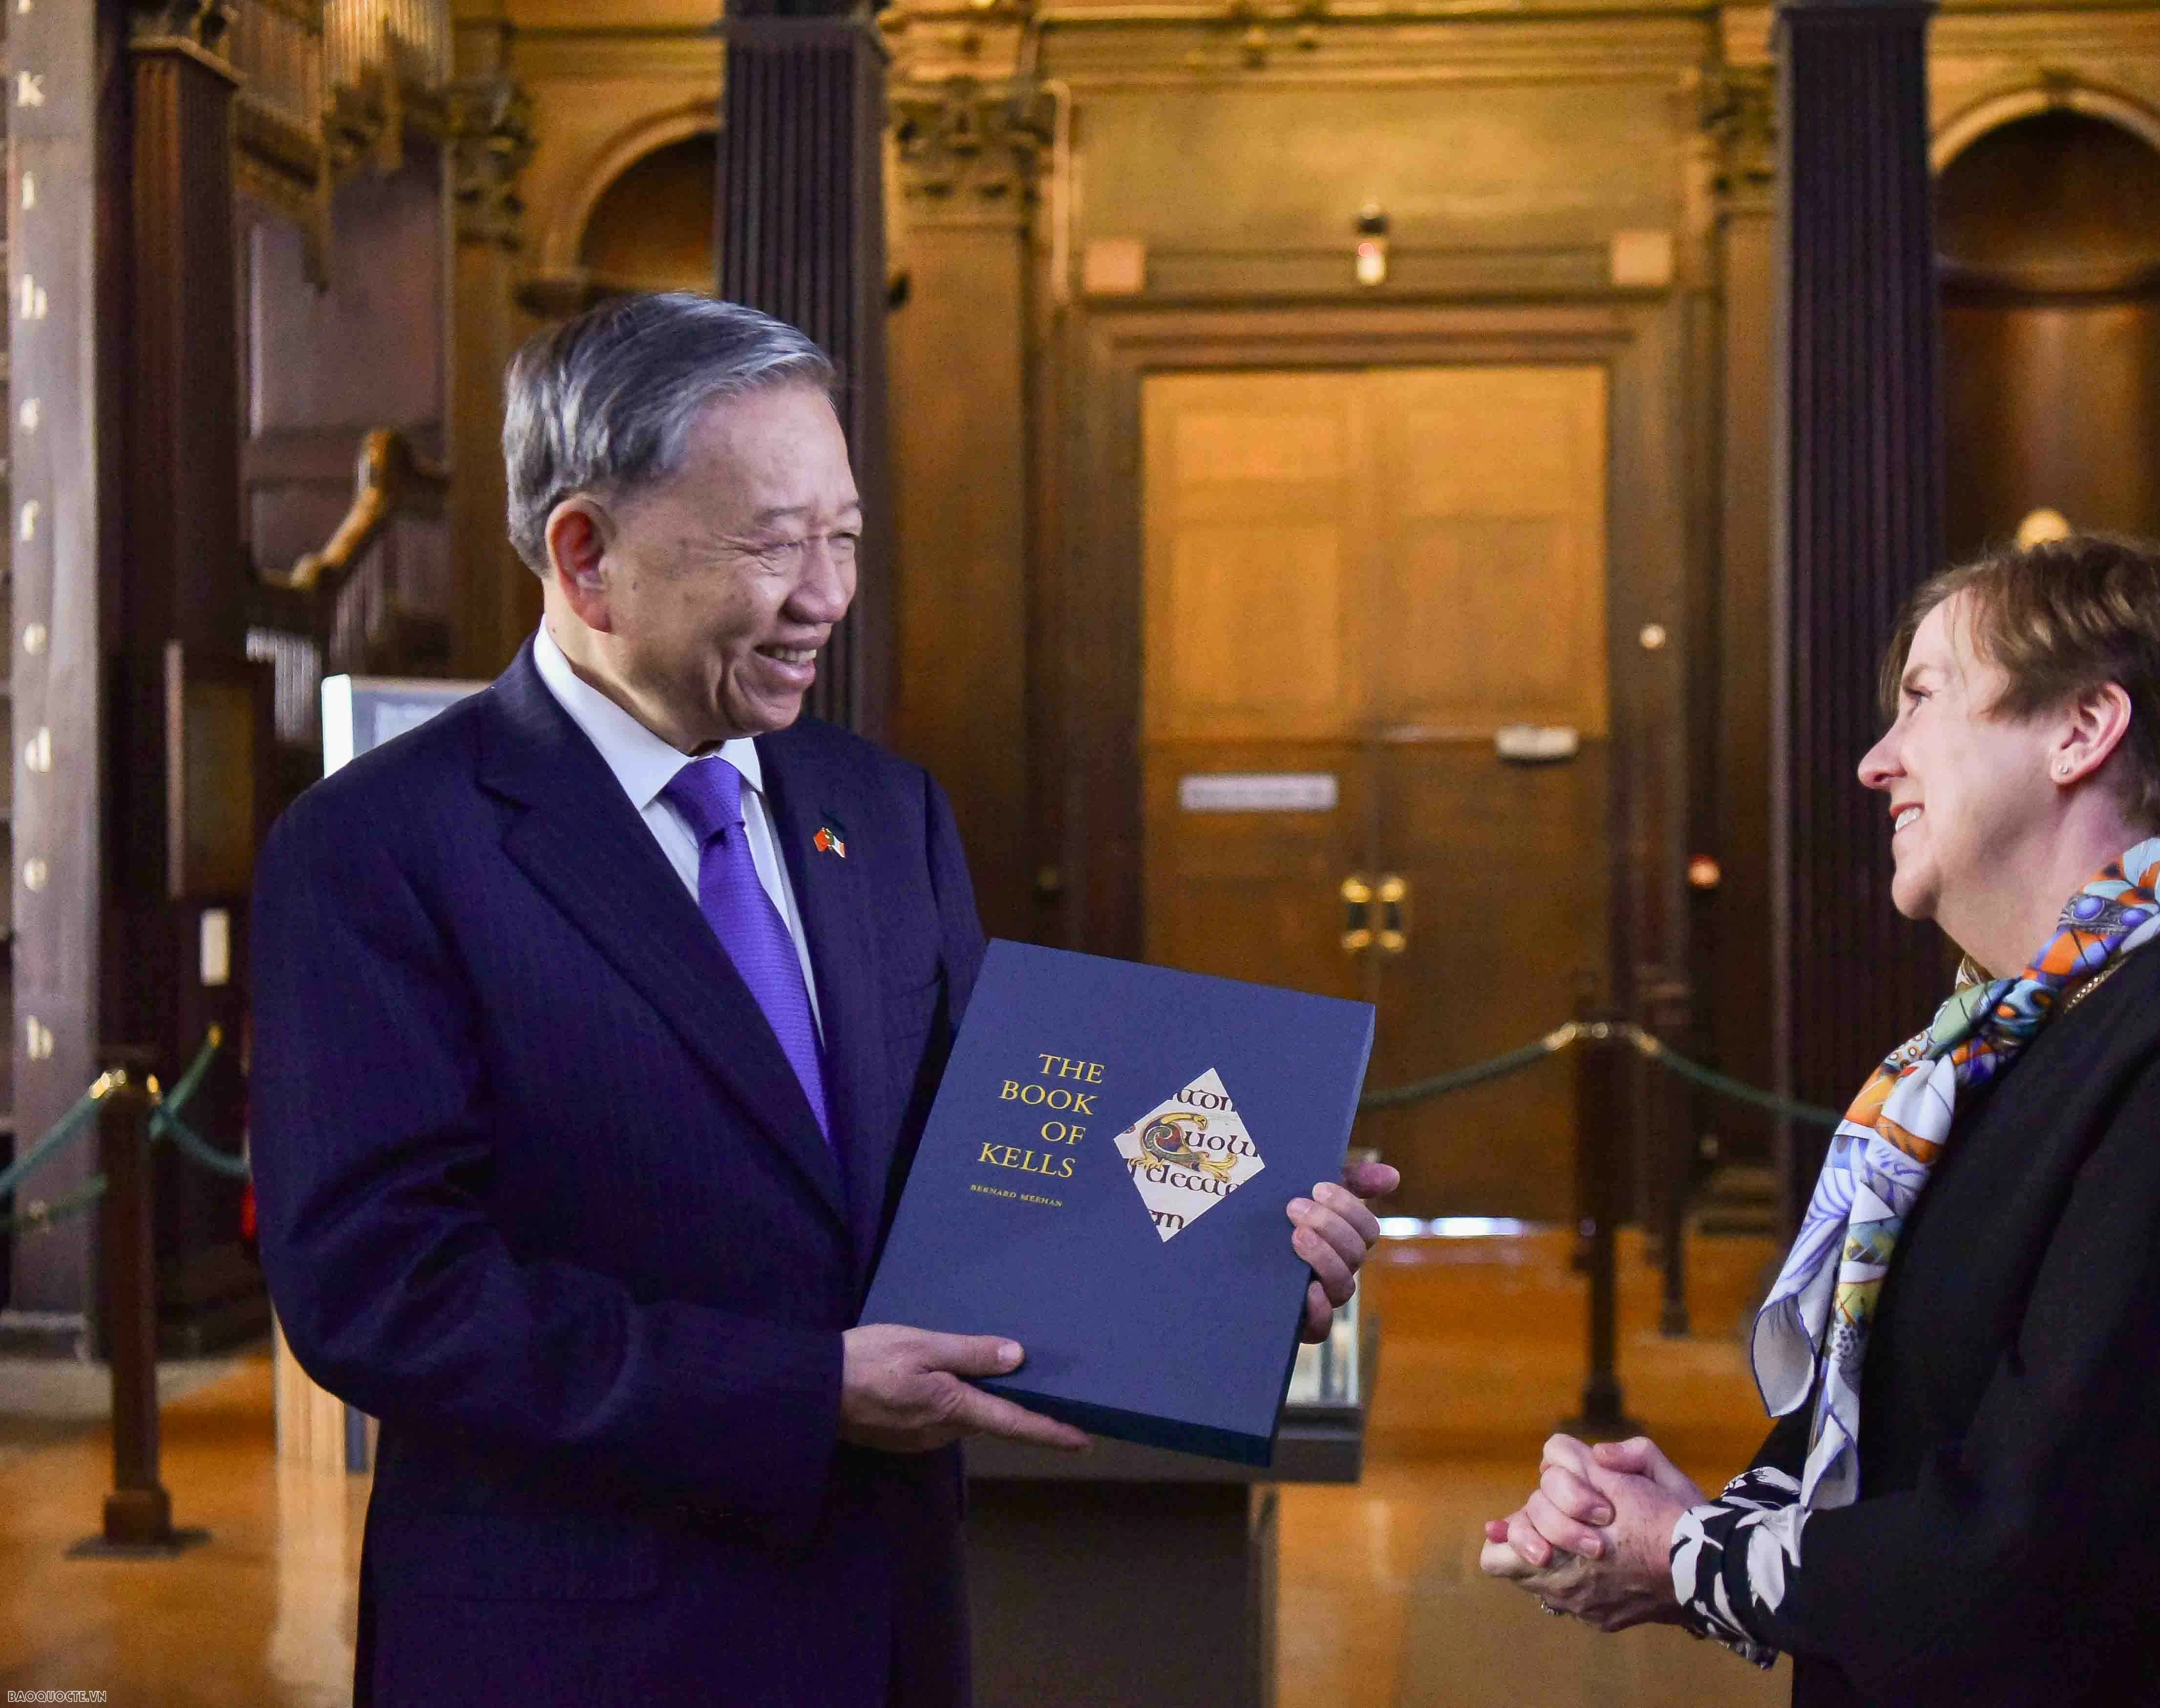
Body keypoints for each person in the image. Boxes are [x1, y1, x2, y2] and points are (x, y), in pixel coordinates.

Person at [251, 292, 1398, 1707]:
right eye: (771, 543)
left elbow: (1003, 1150)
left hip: (882, 1624)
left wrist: (1238, 1238)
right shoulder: (381, 848)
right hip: (577, 1643)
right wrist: (800, 1391)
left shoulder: (881, 812)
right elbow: (382, 1293)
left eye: (842, 534)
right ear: (583, 552)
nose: (825, 595)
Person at [1480, 535, 2160, 1706]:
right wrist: (1711, 1521)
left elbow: (2036, 1559)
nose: (1878, 761)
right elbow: (1941, 1432)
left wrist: (1688, 1557)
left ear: (2082, 730)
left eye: (1923, 698)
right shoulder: (2028, 1031)